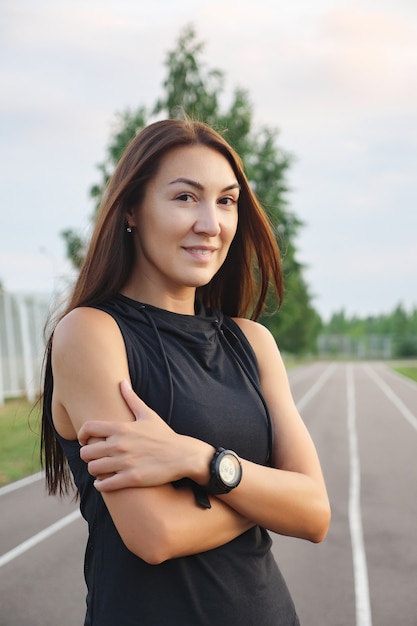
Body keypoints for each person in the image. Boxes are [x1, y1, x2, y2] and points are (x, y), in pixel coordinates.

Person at [41, 118, 330, 626]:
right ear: (131, 209)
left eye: (226, 200)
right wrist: (268, 497)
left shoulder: (253, 342)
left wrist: (198, 460)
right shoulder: (92, 333)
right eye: (184, 198)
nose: (210, 223)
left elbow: (315, 513)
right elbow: (155, 535)